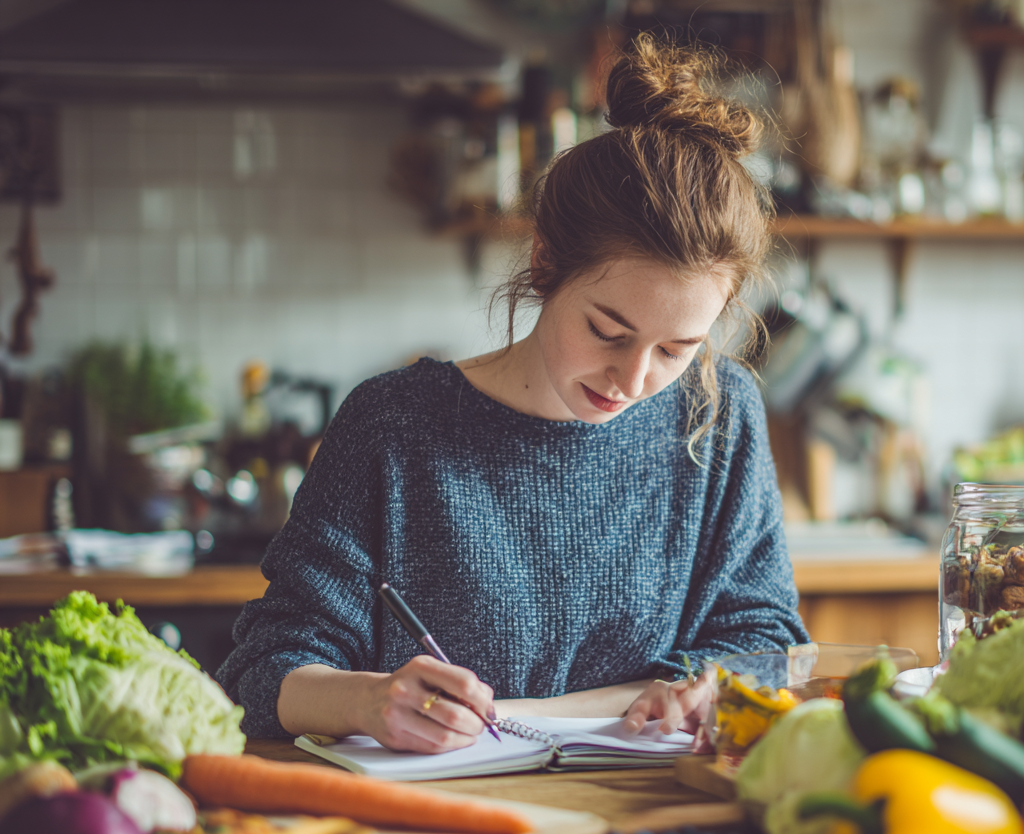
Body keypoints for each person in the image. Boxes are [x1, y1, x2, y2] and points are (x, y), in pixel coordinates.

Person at [216, 35, 809, 755]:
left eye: (677, 350)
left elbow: (764, 635)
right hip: (432, 831)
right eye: (608, 330)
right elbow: (264, 669)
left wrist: (707, 683)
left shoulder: (721, 413)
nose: (633, 378)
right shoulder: (394, 425)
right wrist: (370, 701)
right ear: (545, 264)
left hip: (652, 813)